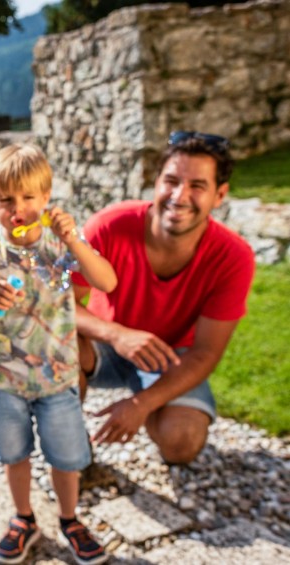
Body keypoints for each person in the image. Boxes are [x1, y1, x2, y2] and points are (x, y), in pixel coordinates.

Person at [0, 144, 117, 565]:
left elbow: (106, 280)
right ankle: (24, 518)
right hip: (4, 379)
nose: (17, 208)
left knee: (65, 459)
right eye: (6, 200)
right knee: (15, 454)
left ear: (46, 199)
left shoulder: (59, 247)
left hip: (58, 378)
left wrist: (74, 240)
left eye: (28, 197)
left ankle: (70, 519)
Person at [73, 131, 255, 465]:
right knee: (54, 343)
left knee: (181, 442)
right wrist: (117, 334)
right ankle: (70, 450)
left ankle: (153, 404)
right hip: (103, 345)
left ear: (220, 195)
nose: (179, 195)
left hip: (171, 357)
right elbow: (56, 306)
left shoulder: (234, 256)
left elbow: (205, 353)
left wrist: (141, 405)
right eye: (170, 181)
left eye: (197, 186)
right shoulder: (109, 225)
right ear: (156, 182)